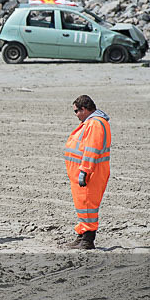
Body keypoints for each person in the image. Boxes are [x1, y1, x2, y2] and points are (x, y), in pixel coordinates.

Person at [63, 95, 111, 250]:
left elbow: (91, 150)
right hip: (84, 173)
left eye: (76, 111)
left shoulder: (96, 124)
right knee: (83, 205)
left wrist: (84, 171)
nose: (76, 115)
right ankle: (83, 234)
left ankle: (88, 240)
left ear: (84, 109)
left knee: (88, 205)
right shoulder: (91, 122)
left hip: (91, 173)